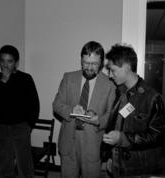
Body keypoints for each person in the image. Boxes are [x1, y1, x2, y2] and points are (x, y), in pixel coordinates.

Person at [53, 41, 116, 178]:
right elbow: (56, 104)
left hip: (92, 145)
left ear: (101, 63)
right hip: (68, 142)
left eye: (94, 64)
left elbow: (111, 116)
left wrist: (97, 120)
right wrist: (71, 110)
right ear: (81, 60)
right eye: (85, 63)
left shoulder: (110, 84)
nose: (89, 67)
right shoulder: (68, 78)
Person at [102, 43, 165, 177]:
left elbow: (157, 136)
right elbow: (116, 124)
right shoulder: (120, 92)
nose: (110, 75)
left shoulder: (152, 97)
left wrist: (124, 138)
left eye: (113, 70)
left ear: (127, 67)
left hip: (139, 168)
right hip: (118, 164)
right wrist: (110, 157)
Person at [0, 45, 40, 178]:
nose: (5, 64)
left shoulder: (25, 79)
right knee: (5, 165)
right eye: (2, 60)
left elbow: (34, 104)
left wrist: (29, 126)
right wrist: (2, 82)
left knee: (24, 165)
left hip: (20, 127)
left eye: (9, 61)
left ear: (16, 62)